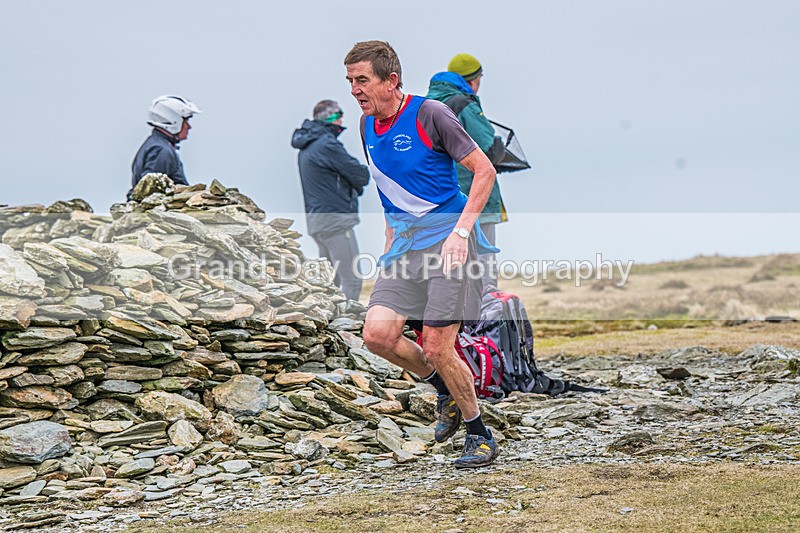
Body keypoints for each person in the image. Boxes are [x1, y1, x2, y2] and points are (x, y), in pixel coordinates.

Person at [344, 41, 501, 468]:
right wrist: (387, 246)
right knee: (377, 335)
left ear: (391, 80)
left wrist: (461, 233)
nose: (355, 90)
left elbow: (483, 170)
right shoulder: (364, 126)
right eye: (351, 82)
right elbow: (389, 193)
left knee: (436, 345)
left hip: (447, 243)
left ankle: (478, 434)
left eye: (363, 80)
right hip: (404, 248)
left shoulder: (431, 114)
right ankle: (445, 393)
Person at [427, 54, 507, 289]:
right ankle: (484, 321)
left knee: (449, 270)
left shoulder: (425, 106)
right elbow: (490, 148)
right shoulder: (465, 104)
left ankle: (452, 323)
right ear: (472, 80)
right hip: (474, 196)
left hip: (438, 201)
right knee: (483, 268)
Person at [291, 100, 370, 302]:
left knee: (330, 283)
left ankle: (328, 328)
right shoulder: (327, 144)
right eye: (340, 114)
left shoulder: (306, 146)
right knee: (352, 280)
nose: (343, 119)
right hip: (336, 222)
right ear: (334, 118)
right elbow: (360, 174)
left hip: (318, 223)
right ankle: (345, 328)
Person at [128, 95, 201, 200]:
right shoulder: (161, 150)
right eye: (185, 121)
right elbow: (149, 192)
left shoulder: (156, 144)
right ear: (174, 121)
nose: (189, 127)